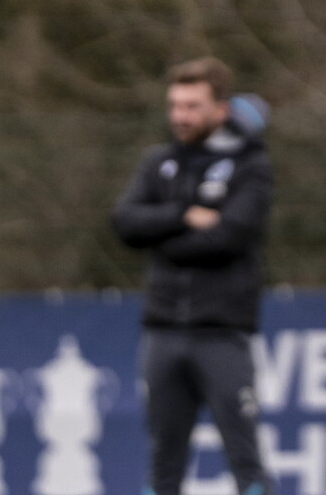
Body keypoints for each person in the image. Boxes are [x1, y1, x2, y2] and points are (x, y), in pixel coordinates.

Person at [111, 57, 274, 495]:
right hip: (162, 332)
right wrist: (184, 214)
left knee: (246, 460)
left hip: (222, 333)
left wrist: (163, 236)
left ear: (221, 109)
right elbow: (125, 222)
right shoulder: (158, 162)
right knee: (163, 461)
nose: (180, 115)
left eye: (192, 106)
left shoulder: (250, 166)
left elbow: (230, 236)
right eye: (175, 105)